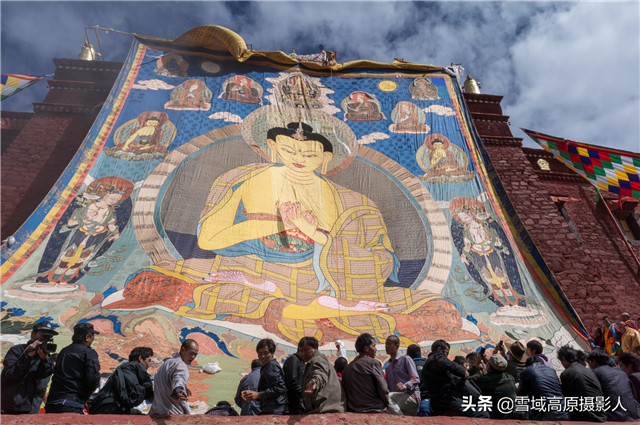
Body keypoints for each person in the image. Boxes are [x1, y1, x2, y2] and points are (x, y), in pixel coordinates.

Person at [1, 321, 57, 414]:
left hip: (32, 407)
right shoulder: (16, 351)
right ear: (33, 334)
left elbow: (44, 376)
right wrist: (28, 356)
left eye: (48, 336)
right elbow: (10, 373)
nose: (45, 339)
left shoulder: (44, 356)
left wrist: (44, 359)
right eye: (42, 334)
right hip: (11, 406)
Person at [46, 323, 101, 414]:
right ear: (87, 337)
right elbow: (92, 377)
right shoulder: (88, 352)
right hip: (72, 402)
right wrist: (91, 390)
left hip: (53, 401)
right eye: (92, 337)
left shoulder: (64, 351)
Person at [421, 339, 482, 417]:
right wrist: (463, 372)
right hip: (448, 401)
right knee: (482, 413)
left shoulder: (428, 365)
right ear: (439, 349)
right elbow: (447, 363)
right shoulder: (437, 357)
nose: (446, 356)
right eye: (446, 353)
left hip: (436, 402)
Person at [89, 347, 154, 414]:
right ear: (140, 358)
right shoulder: (137, 366)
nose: (149, 365)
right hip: (113, 407)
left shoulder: (122, 369)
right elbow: (149, 394)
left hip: (102, 406)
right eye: (148, 360)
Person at [557, 345, 607, 422]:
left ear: (563, 359)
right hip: (600, 415)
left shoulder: (567, 373)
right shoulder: (588, 371)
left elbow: (567, 397)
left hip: (586, 417)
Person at [587, 349, 640, 421]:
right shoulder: (621, 373)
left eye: (589, 362)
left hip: (615, 418)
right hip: (635, 416)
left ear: (593, 361)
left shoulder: (594, 373)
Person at [149, 339, 199, 415]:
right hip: (173, 415)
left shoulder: (166, 364)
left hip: (156, 413)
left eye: (195, 355)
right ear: (183, 350)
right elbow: (179, 378)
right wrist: (178, 390)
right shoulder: (180, 365)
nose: (193, 357)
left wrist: (183, 386)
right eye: (191, 353)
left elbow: (174, 379)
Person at [342, 333, 389, 413]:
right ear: (366, 348)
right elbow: (383, 389)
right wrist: (388, 404)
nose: (376, 349)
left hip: (354, 409)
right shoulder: (373, 363)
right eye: (374, 346)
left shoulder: (347, 368)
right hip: (375, 407)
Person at [242, 338, 288, 415]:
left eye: (266, 353)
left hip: (275, 409)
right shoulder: (268, 366)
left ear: (272, 353)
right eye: (260, 354)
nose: (263, 356)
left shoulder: (271, 366)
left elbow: (280, 388)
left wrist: (258, 395)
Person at [299, 336, 344, 413]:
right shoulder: (312, 361)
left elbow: (320, 373)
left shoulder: (318, 360)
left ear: (315, 348)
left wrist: (315, 382)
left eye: (306, 350)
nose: (303, 354)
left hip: (327, 408)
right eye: (301, 351)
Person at [518, 355, 568, 420]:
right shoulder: (552, 371)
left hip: (546, 414)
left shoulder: (527, 371)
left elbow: (521, 395)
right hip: (564, 410)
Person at [468, 354, 518, 419]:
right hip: (509, 415)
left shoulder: (481, 379)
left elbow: (465, 378)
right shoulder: (510, 378)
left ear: (489, 367)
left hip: (493, 415)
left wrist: (475, 365)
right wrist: (489, 365)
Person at [384, 335, 420, 416]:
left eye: (389, 344)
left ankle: (400, 419)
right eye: (386, 344)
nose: (386, 346)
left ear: (397, 346)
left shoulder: (406, 359)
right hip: (396, 402)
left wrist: (405, 385)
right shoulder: (388, 367)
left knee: (387, 397)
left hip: (410, 398)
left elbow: (416, 379)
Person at [283, 347, 306, 414]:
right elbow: (292, 381)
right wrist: (302, 393)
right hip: (295, 401)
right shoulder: (293, 360)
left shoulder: (297, 361)